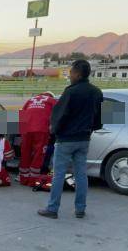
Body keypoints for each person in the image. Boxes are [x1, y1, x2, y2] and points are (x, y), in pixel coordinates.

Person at [38, 59, 102, 219]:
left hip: (66, 139)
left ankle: (52, 209)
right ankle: (80, 209)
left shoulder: (70, 92)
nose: (70, 75)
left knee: (59, 174)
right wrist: (90, 129)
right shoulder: (97, 92)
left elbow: (59, 115)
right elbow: (100, 118)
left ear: (78, 74)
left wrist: (54, 131)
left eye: (71, 72)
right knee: (81, 174)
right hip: (84, 139)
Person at [18, 92, 56, 187]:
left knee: (25, 152)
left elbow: (21, 114)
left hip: (26, 129)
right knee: (38, 154)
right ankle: (33, 180)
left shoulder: (30, 100)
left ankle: (23, 178)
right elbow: (58, 114)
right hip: (41, 129)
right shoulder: (52, 101)